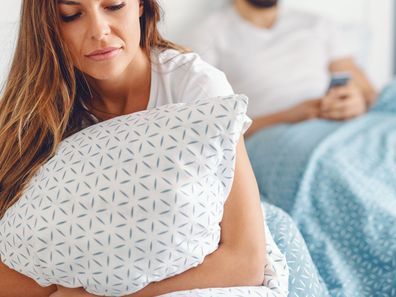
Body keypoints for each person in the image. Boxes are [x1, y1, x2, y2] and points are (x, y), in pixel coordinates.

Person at [0, 0, 267, 296]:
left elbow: (246, 261)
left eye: (114, 6)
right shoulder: (32, 116)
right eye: (71, 15)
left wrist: (96, 295)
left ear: (140, 5)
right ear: (46, 26)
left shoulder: (196, 88)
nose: (99, 31)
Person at [186, 0, 377, 137]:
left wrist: (358, 103)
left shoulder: (317, 23)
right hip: (272, 136)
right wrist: (289, 116)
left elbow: (369, 94)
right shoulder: (208, 33)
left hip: (337, 124)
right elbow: (208, 128)